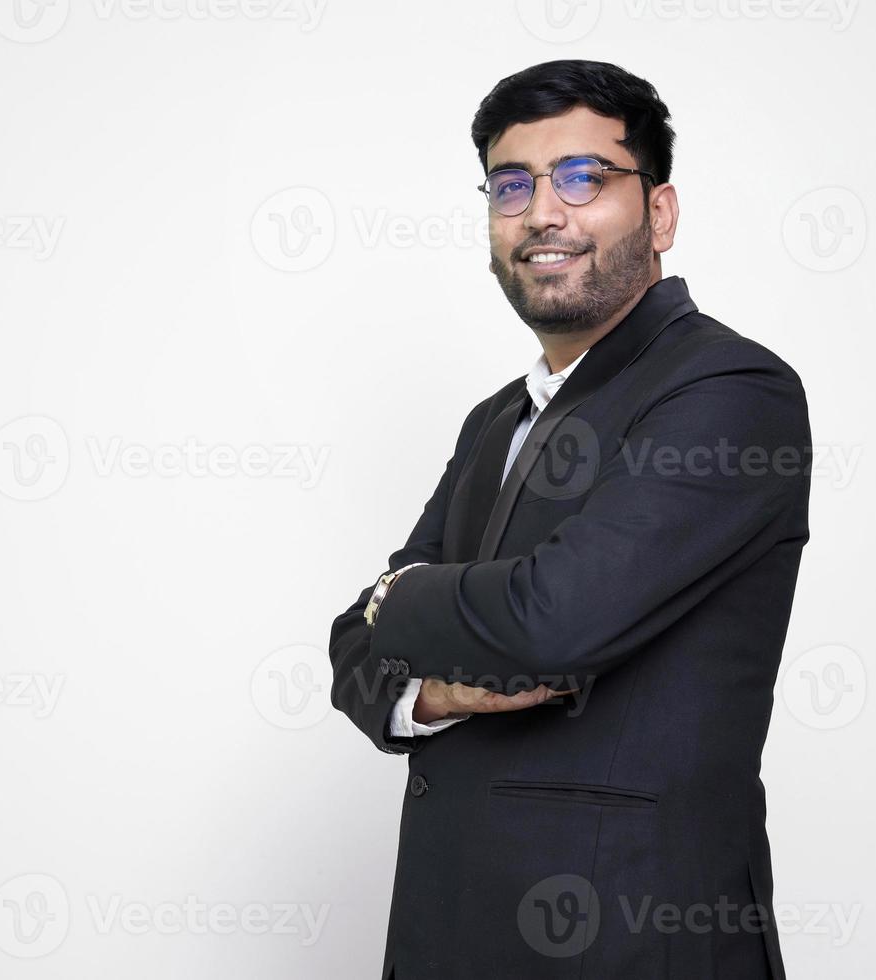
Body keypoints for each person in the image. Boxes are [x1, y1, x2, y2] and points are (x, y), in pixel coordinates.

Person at [328, 59, 811, 979]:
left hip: (631, 939)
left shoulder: (728, 390)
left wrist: (402, 598)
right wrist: (427, 692)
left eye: (584, 176)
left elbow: (555, 621)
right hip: (450, 934)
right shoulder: (495, 419)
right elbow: (355, 647)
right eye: (512, 185)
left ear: (659, 212)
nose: (544, 212)